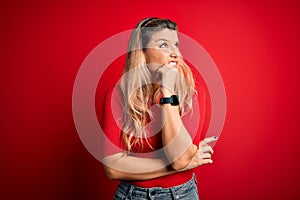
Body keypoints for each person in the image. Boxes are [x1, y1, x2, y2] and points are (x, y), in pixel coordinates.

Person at [100, 17, 217, 200]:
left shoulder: (192, 94)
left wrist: (167, 90)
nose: (174, 53)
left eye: (176, 45)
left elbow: (178, 158)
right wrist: (184, 164)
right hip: (132, 196)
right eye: (163, 45)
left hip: (182, 195)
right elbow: (113, 167)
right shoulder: (117, 95)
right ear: (142, 52)